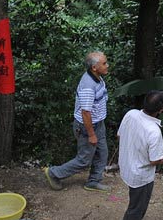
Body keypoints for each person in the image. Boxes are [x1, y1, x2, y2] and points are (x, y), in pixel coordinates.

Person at [44, 51, 112, 192]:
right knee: (84, 160)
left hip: (98, 123)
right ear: (94, 67)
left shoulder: (97, 77)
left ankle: (93, 181)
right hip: (88, 126)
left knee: (102, 153)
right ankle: (53, 173)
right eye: (104, 63)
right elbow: (85, 112)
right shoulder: (88, 85)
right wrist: (91, 134)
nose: (107, 66)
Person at [117, 90, 163, 220]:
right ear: (161, 109)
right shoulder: (153, 131)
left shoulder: (131, 114)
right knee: (138, 207)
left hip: (126, 165)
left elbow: (119, 135)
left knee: (134, 202)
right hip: (140, 175)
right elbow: (155, 160)